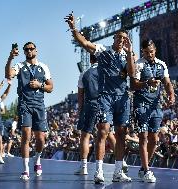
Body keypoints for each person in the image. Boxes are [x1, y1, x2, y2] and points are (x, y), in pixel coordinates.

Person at [66, 13, 135, 183]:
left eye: (124, 39)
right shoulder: (103, 51)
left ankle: (119, 171)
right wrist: (74, 28)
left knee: (121, 134)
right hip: (105, 98)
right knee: (103, 132)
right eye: (119, 37)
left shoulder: (128, 56)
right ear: (114, 38)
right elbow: (84, 43)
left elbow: (132, 74)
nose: (121, 40)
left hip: (122, 98)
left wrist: (130, 52)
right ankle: (99, 171)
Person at [5, 42, 53, 181]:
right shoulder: (20, 66)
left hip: (39, 104)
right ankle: (25, 169)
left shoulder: (44, 67)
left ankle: (37, 159)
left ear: (36, 50)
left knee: (41, 138)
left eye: (31, 49)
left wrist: (40, 85)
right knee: (26, 135)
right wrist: (10, 58)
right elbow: (8, 74)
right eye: (26, 49)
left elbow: (51, 87)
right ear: (24, 52)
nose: (29, 51)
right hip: (25, 104)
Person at [132, 39, 175, 182]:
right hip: (141, 105)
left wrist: (171, 94)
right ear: (142, 52)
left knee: (154, 139)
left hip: (156, 107)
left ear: (155, 50)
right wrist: (146, 83)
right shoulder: (138, 64)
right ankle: (147, 171)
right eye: (146, 52)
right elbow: (133, 85)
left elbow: (167, 82)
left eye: (151, 51)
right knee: (143, 137)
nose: (149, 54)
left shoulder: (162, 64)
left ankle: (144, 167)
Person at [74, 54, 99, 175]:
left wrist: (80, 111)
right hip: (104, 104)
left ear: (90, 60)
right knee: (109, 135)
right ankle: (121, 164)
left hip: (90, 104)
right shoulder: (107, 70)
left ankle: (84, 167)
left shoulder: (84, 73)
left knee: (85, 136)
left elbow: (80, 96)